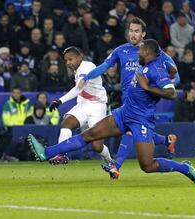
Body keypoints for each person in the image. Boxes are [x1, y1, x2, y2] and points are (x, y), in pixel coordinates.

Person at [28, 39, 195, 184]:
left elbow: (172, 93)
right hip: (124, 112)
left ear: (148, 53)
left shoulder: (158, 69)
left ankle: (185, 168)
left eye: (140, 51)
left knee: (147, 165)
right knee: (90, 134)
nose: (137, 54)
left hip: (141, 119)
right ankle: (47, 152)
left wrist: (147, 87)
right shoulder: (144, 63)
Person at [75, 17, 179, 178]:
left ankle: (116, 166)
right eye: (131, 30)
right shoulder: (121, 51)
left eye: (137, 31)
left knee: (130, 132)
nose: (133, 34)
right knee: (137, 132)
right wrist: (86, 77)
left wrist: (160, 88)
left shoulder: (156, 53)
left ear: (143, 34)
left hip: (143, 102)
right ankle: (167, 141)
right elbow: (104, 66)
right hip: (127, 101)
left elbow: (175, 76)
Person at [47, 46, 113, 165]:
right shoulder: (77, 70)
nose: (68, 63)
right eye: (66, 60)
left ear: (79, 57)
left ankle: (110, 161)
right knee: (67, 123)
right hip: (83, 104)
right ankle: (62, 154)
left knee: (97, 146)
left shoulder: (87, 67)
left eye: (70, 59)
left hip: (97, 106)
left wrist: (59, 101)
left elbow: (78, 89)